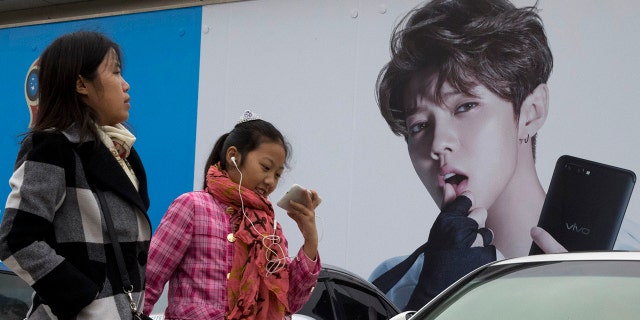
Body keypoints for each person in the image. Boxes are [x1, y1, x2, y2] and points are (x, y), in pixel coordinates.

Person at [367, 0, 639, 312]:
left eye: (465, 106)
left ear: (531, 112)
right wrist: (434, 305)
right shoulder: (394, 287)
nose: (438, 143)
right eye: (419, 126)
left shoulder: (626, 267)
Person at [0, 31, 151, 319]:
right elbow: (15, 238)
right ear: (81, 83)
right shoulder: (53, 146)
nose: (126, 84)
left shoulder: (123, 153)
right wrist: (85, 301)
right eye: (116, 72)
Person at [143, 111, 321, 320]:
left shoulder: (270, 229)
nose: (270, 181)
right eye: (265, 167)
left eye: (277, 174)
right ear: (233, 156)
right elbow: (148, 282)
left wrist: (310, 240)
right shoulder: (193, 206)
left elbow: (288, 301)